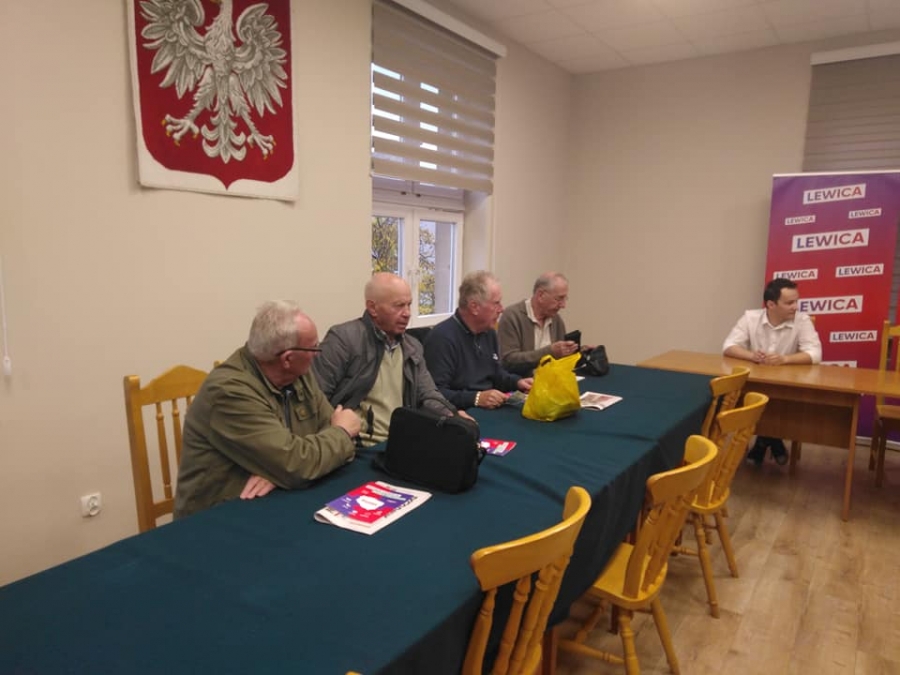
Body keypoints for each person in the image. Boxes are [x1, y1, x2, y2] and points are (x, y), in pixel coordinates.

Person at [173, 301, 361, 519]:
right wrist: (341, 434)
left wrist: (279, 469)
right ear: (287, 358)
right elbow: (300, 463)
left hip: (277, 501)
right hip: (217, 518)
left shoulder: (298, 374)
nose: (318, 354)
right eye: (314, 348)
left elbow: (329, 445)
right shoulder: (229, 391)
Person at [312, 272, 461, 446]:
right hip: (359, 447)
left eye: (409, 305)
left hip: (401, 443)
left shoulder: (412, 347)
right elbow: (316, 399)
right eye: (399, 306)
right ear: (372, 308)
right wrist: (337, 437)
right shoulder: (343, 340)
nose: (407, 313)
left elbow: (428, 394)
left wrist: (453, 415)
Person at [722, 278, 822, 466]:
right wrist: (752, 356)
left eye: (796, 301)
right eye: (789, 303)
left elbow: (815, 353)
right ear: (770, 304)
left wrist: (785, 359)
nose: (795, 307)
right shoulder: (750, 318)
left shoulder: (802, 320)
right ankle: (774, 441)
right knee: (753, 397)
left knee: (774, 400)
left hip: (788, 385)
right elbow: (729, 346)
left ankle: (762, 442)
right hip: (756, 381)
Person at [424, 270, 533, 410]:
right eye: (496, 303)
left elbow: (495, 374)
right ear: (474, 307)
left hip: (490, 408)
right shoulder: (442, 338)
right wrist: (476, 398)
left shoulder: (489, 332)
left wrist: (518, 382)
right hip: (461, 413)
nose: (501, 309)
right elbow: (435, 394)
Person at [498, 272, 581, 375]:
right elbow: (508, 361)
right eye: (559, 299)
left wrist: (579, 351)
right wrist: (550, 352)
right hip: (523, 382)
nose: (563, 305)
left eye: (565, 299)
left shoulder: (556, 319)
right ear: (541, 295)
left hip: (552, 380)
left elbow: (561, 360)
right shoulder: (512, 316)